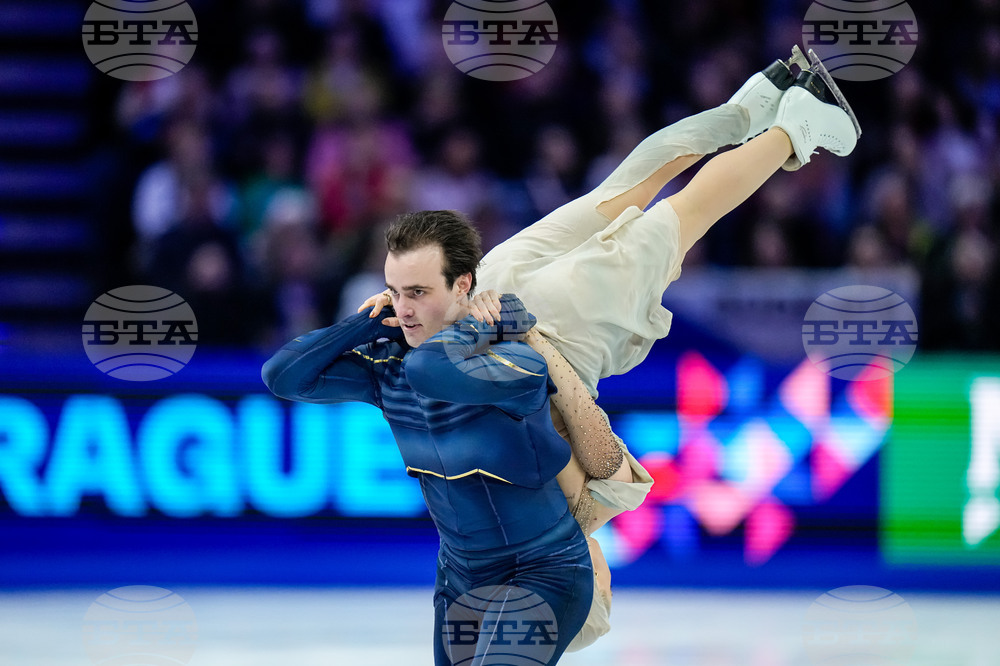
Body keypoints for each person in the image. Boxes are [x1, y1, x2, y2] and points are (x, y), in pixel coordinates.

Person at [358, 46, 861, 652]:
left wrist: (545, 362)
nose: (608, 581)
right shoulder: (519, 530)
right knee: (629, 184)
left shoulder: (568, 520)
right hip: (493, 283)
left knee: (683, 216)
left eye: (605, 591)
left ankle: (796, 125)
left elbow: (589, 447)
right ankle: (752, 105)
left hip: (557, 322)